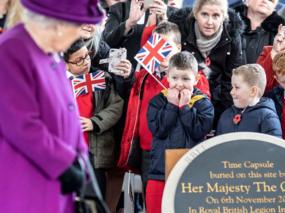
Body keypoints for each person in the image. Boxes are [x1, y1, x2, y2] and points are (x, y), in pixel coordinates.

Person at [0, 0, 104, 212]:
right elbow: (20, 124)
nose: (78, 36)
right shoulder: (12, 49)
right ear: (58, 24)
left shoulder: (50, 52)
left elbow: (68, 110)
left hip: (59, 183)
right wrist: (65, 164)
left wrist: (82, 163)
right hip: (30, 183)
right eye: (77, 27)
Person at [117, 21, 211, 196]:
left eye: (165, 45)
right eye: (155, 44)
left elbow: (201, 114)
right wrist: (129, 77)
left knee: (177, 199)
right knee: (151, 199)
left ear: (178, 47)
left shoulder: (193, 78)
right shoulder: (145, 75)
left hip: (179, 149)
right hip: (148, 148)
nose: (160, 51)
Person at [146, 51, 214, 213]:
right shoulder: (157, 101)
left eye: (185, 78)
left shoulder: (203, 103)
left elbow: (198, 132)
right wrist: (171, 105)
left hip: (190, 173)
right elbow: (158, 131)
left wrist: (185, 107)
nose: (179, 84)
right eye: (175, 78)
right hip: (159, 172)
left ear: (196, 79)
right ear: (167, 77)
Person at [64, 39, 125, 203]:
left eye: (87, 56)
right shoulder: (57, 82)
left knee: (95, 200)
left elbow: (116, 106)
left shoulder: (101, 78)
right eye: (79, 60)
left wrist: (95, 122)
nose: (86, 63)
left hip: (94, 152)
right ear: (65, 65)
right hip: (66, 152)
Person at [168, 0, 245, 129]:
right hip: (181, 97)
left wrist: (215, 114)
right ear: (195, 14)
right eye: (204, 14)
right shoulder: (181, 29)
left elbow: (233, 79)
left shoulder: (233, 36)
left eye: (216, 16)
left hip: (217, 102)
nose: (209, 22)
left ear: (223, 17)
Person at [216, 64, 282, 137]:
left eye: (237, 87)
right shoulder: (226, 115)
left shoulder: (267, 117)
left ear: (253, 91)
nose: (231, 92)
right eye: (232, 87)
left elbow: (273, 147)